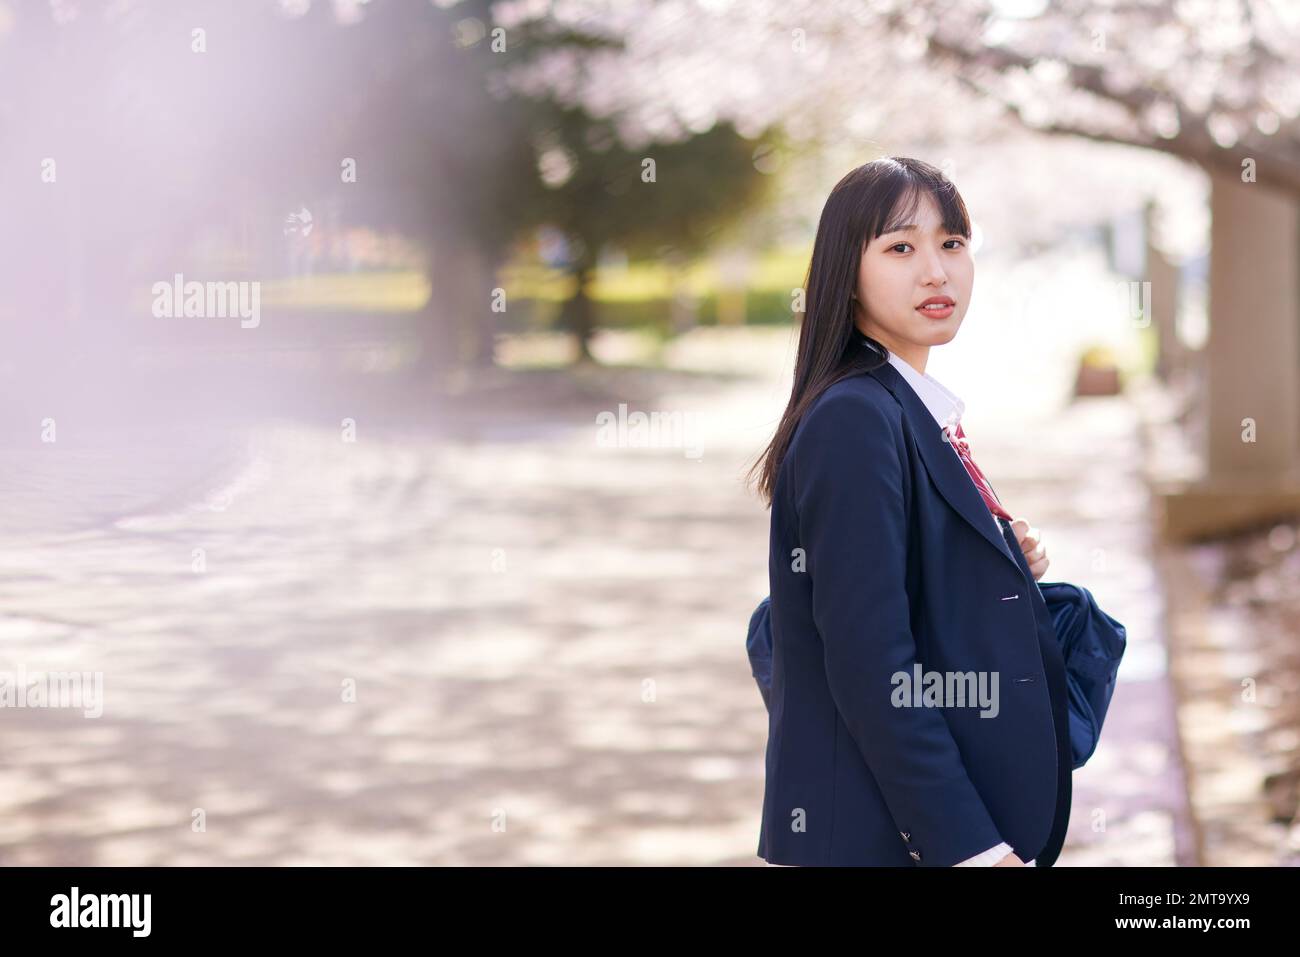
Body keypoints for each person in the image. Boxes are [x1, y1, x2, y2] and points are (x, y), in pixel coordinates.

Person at [747, 156, 1072, 867]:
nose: (937, 271)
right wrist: (972, 848)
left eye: (952, 243)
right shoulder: (854, 418)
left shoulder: (898, 404)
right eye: (901, 247)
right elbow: (869, 660)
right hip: (876, 840)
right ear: (847, 271)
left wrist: (998, 555)